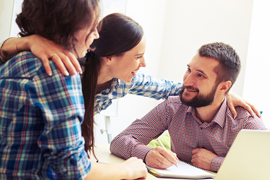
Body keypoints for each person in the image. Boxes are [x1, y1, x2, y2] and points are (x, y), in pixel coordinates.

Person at [0, 0, 147, 179]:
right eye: (91, 27)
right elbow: (74, 169)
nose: (96, 35)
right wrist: (128, 169)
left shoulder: (13, 61)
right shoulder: (60, 73)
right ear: (68, 24)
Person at [110, 42, 267, 172]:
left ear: (223, 87)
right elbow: (119, 141)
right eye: (189, 70)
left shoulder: (245, 121)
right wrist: (147, 154)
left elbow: (265, 166)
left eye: (200, 75)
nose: (187, 80)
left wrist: (214, 163)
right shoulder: (172, 107)